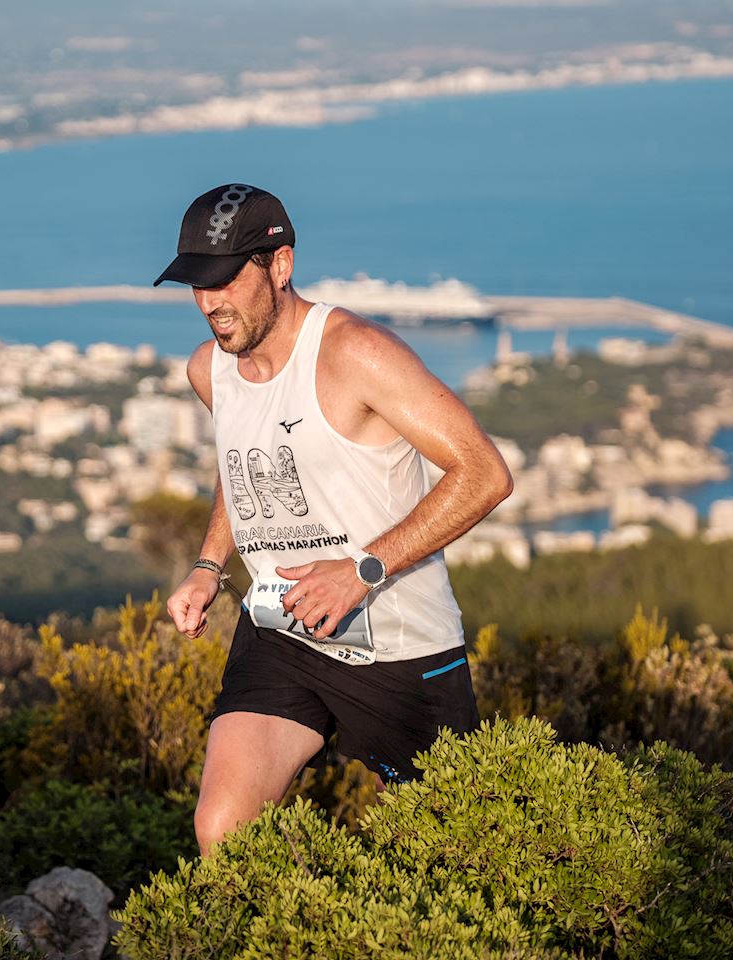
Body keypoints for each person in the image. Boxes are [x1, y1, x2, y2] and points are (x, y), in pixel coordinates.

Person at [156, 183, 514, 855]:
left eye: (226, 279)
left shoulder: (356, 354)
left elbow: (484, 472)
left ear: (280, 266)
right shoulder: (210, 371)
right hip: (281, 630)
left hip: (398, 645)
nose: (210, 302)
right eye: (196, 283)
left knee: (440, 855)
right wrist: (209, 566)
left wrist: (360, 571)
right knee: (220, 830)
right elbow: (242, 467)